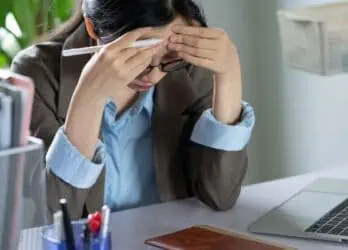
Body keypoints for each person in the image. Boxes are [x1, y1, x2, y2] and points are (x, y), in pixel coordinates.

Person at [11, 0, 255, 220]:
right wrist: (89, 98)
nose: (153, 74)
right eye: (137, 55)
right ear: (92, 28)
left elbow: (220, 195)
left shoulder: (184, 62)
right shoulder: (37, 74)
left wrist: (229, 75)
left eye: (168, 59)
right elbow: (50, 217)